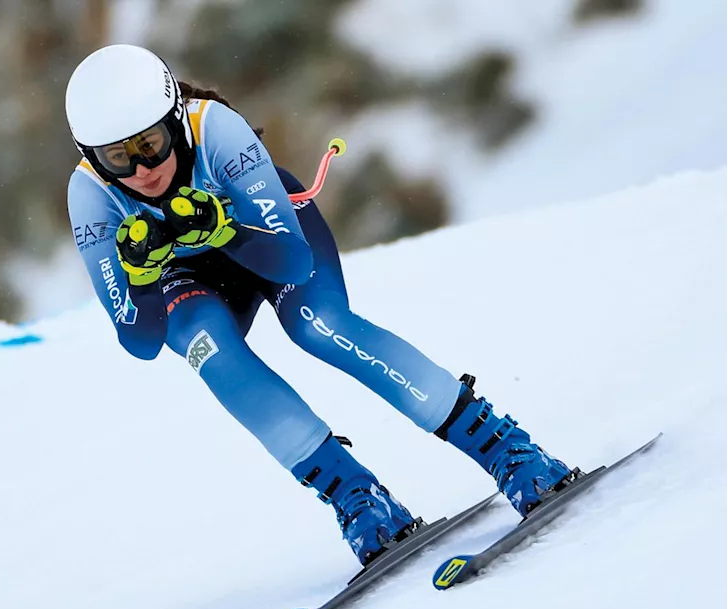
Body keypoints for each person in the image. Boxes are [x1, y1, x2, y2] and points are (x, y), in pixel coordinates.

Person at [63, 44, 579, 567]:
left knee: (316, 323)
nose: (144, 169)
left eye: (151, 144)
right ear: (93, 158)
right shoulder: (90, 196)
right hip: (188, 279)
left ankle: (506, 448)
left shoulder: (216, 130)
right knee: (207, 348)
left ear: (175, 120)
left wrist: (225, 228)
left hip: (268, 239)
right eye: (118, 158)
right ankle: (358, 498)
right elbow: (142, 341)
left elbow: (289, 262)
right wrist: (144, 277)